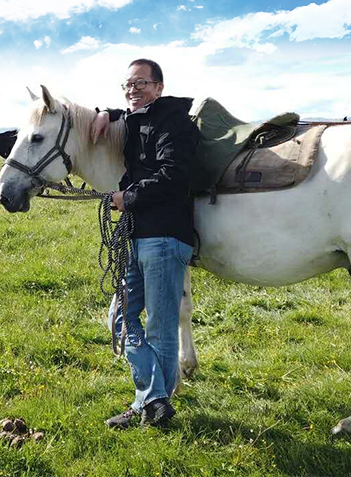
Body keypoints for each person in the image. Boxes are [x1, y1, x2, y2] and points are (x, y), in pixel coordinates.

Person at [91, 58, 199, 429]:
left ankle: (149, 407)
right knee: (118, 315)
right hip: (139, 235)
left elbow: (175, 176)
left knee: (160, 328)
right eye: (127, 85)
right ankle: (155, 399)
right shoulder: (137, 119)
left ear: (159, 87)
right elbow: (125, 111)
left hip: (166, 236)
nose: (132, 91)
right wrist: (105, 112)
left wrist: (128, 197)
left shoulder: (175, 122)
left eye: (141, 84)